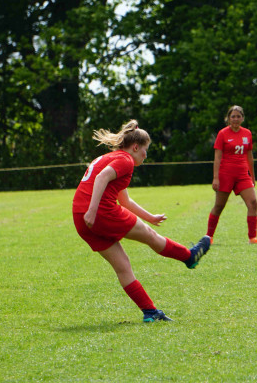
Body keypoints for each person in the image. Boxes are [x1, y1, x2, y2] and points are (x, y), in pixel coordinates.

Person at [72, 120, 210, 323]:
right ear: (135, 147)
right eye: (145, 150)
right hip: (98, 212)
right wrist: (92, 211)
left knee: (123, 266)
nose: (146, 155)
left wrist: (150, 217)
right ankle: (189, 257)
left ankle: (150, 312)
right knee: (150, 237)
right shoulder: (125, 160)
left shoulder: (112, 157)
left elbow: (124, 200)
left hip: (80, 217)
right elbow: (101, 178)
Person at [206, 105, 257, 245]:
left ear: (242, 118)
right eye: (233, 116)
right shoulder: (222, 134)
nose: (235, 119)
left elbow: (249, 156)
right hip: (225, 174)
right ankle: (208, 237)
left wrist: (252, 175)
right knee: (219, 206)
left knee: (253, 203)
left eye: (238, 116)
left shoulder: (247, 134)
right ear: (228, 118)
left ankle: (253, 238)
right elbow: (217, 158)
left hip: (242, 174)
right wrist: (215, 178)